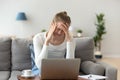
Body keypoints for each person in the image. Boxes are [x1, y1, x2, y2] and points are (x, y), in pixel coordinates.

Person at [33, 11, 76, 75]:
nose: (59, 33)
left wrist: (69, 41)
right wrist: (47, 41)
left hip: (60, 69)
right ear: (52, 24)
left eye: (64, 30)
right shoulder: (38, 38)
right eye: (58, 29)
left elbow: (70, 66)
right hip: (40, 70)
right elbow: (40, 65)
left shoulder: (70, 39)